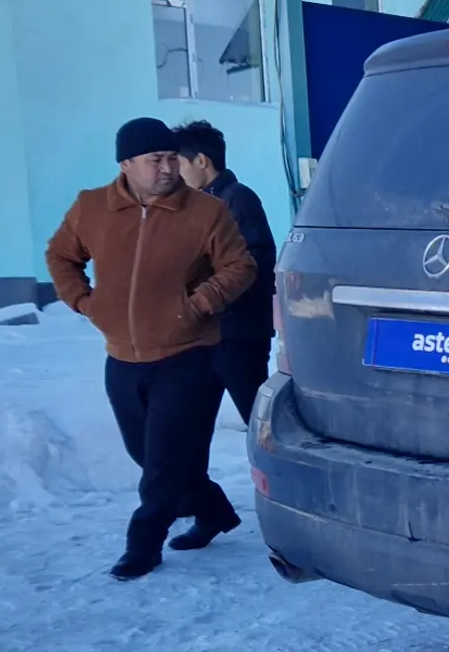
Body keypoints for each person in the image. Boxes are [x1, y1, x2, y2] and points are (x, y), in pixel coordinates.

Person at [45, 118, 257, 580]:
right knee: (148, 454)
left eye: (171, 159)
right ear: (126, 164)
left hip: (188, 357)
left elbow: (241, 266)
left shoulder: (205, 211)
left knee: (162, 462)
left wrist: (197, 305)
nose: (167, 169)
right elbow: (60, 256)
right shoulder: (92, 208)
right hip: (121, 357)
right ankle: (216, 510)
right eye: (154, 160)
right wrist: (84, 301)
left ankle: (142, 544)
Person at [172, 120, 277, 422]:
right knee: (191, 420)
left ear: (201, 161)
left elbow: (253, 260)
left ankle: (275, 468)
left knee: (258, 420)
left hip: (238, 334)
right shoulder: (199, 205)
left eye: (177, 163)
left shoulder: (237, 198)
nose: (172, 173)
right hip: (208, 333)